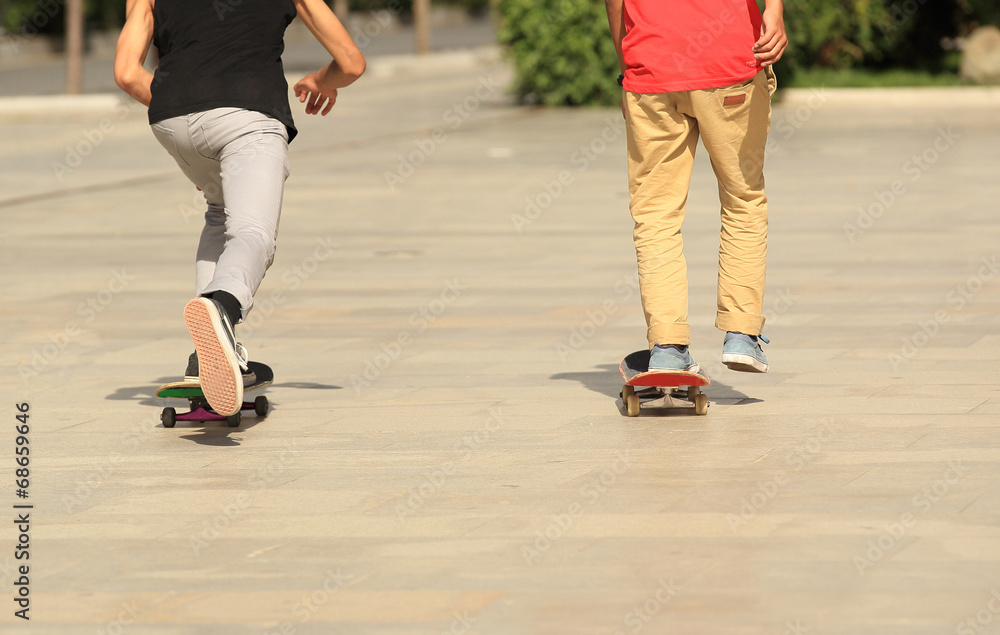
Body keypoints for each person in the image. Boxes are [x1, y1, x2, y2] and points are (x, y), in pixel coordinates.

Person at [114, 0, 365, 415]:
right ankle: (222, 306)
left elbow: (126, 73)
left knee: (220, 210)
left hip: (172, 120)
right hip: (248, 115)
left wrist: (188, 114)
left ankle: (205, 359)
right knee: (253, 233)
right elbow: (351, 63)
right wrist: (323, 80)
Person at [604, 0, 787, 373]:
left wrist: (627, 68)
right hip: (730, 61)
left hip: (652, 66)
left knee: (655, 216)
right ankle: (741, 332)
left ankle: (668, 346)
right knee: (743, 199)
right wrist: (776, 9)